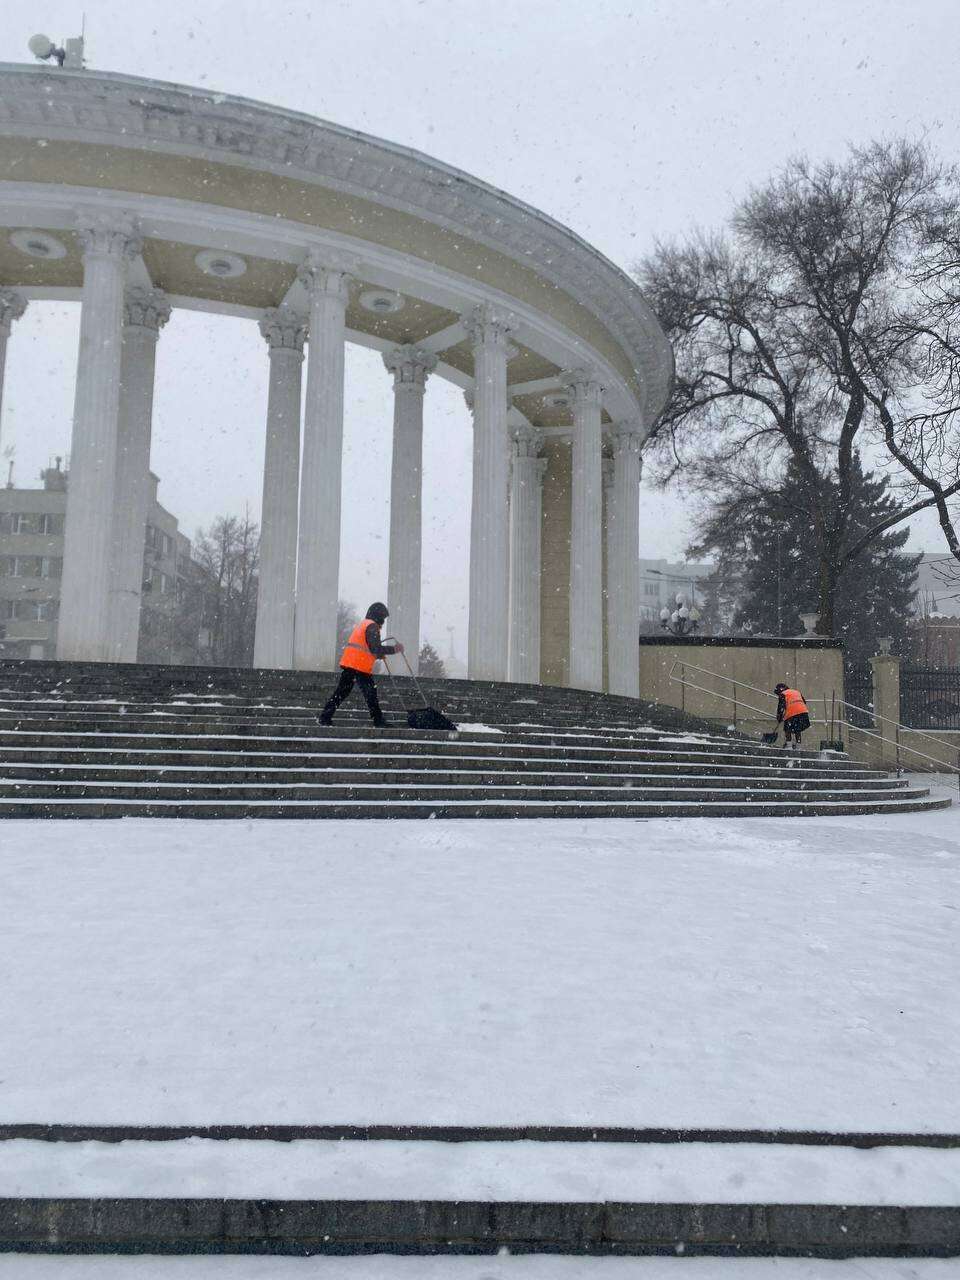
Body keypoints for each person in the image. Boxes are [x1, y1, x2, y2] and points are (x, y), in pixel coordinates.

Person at [319, 602, 404, 728]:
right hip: (359, 666)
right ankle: (378, 720)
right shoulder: (372, 626)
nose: (383, 622)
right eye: (383, 618)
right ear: (378, 616)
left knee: (342, 692)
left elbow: (367, 647)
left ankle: (325, 717)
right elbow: (374, 648)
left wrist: (378, 654)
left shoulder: (364, 624)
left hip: (351, 663)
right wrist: (394, 649)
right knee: (370, 693)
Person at [774, 682, 810, 751]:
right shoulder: (796, 692)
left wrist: (779, 717)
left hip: (793, 712)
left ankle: (789, 746)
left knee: (787, 729)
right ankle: (798, 747)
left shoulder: (783, 694)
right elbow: (804, 701)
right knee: (798, 729)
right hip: (803, 712)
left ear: (779, 691)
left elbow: (780, 707)